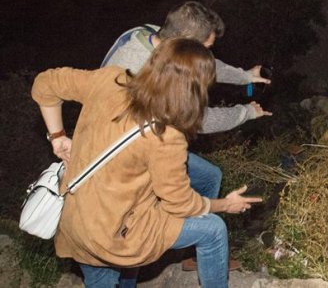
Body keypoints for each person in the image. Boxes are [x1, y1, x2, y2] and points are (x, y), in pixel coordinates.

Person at [32, 38, 262, 288]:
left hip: (75, 224)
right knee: (213, 230)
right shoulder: (166, 135)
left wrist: (57, 137)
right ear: (195, 87)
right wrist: (226, 204)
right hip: (112, 233)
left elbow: (44, 83)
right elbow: (181, 204)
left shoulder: (110, 80)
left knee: (110, 270)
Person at [100, 1, 272, 277]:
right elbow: (197, 119)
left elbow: (206, 63)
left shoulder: (153, 35)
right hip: (123, 157)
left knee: (208, 177)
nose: (208, 55)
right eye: (206, 47)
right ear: (186, 43)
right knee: (124, 249)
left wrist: (244, 76)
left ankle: (196, 253)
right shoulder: (142, 68)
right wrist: (246, 113)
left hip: (144, 138)